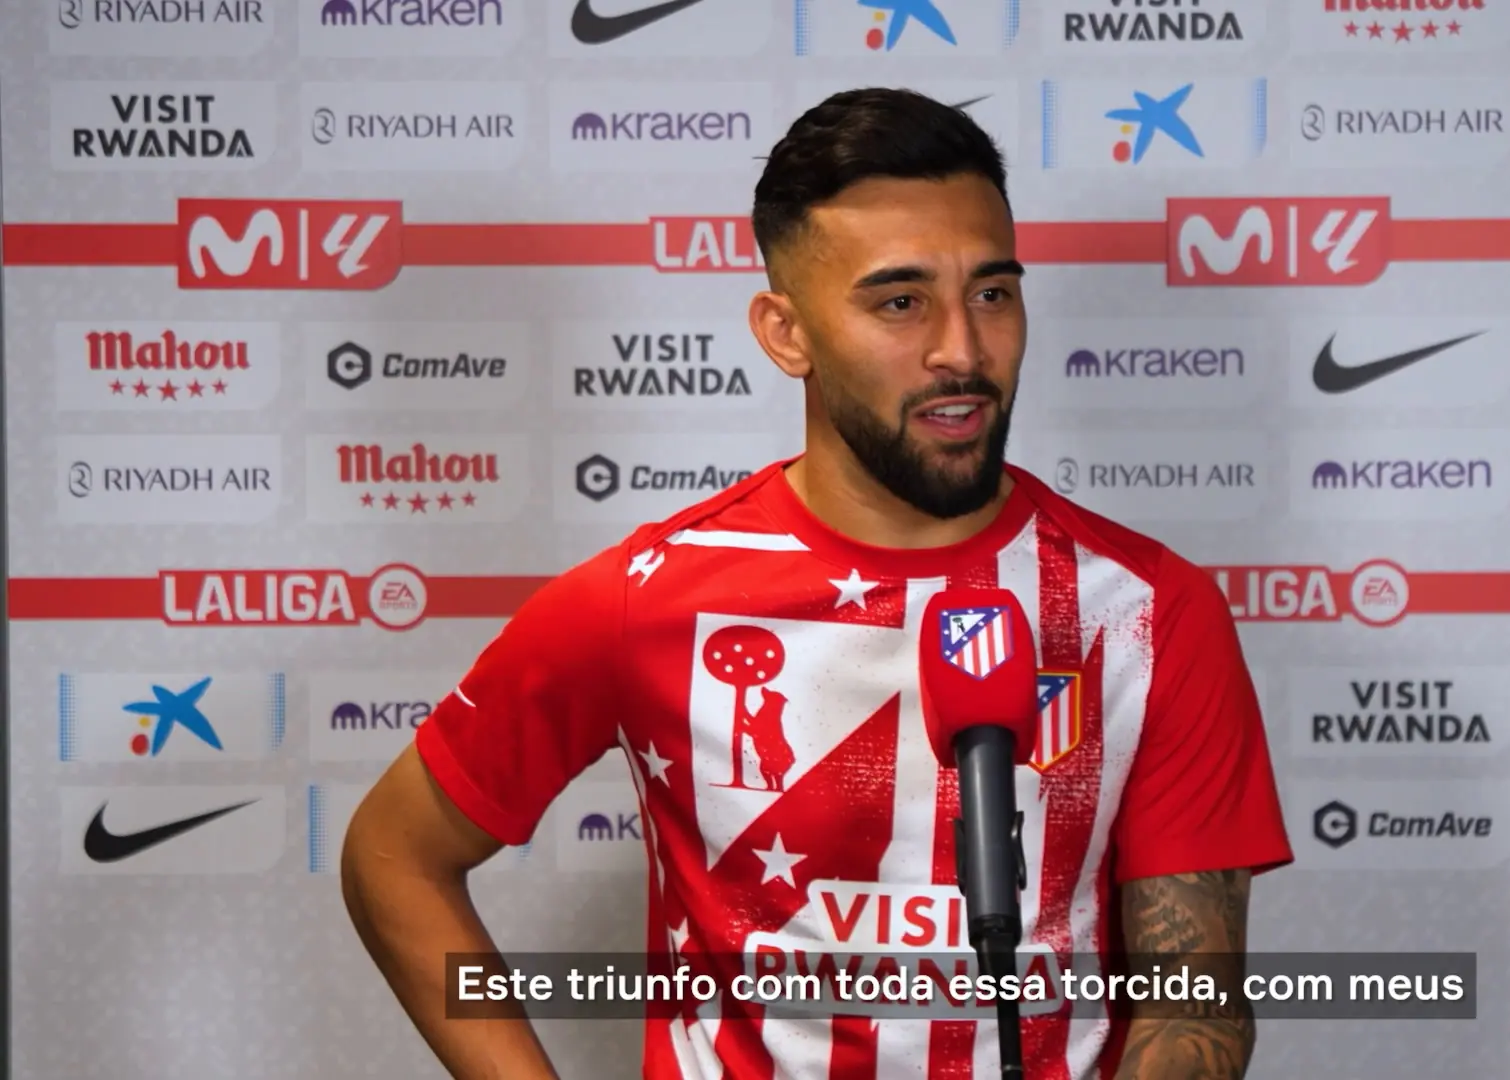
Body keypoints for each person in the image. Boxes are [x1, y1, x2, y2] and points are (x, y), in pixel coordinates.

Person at [340, 87, 1292, 1080]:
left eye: (992, 294)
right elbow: (393, 857)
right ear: (785, 332)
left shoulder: (1148, 611)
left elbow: (1198, 1012)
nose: (962, 351)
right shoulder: (647, 596)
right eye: (900, 302)